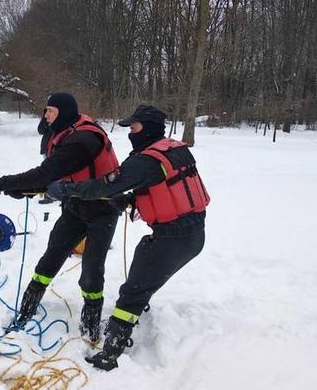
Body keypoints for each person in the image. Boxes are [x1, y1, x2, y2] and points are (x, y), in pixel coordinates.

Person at [45, 104, 209, 370]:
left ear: (150, 128)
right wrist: (133, 199)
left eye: (134, 127)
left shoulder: (146, 160)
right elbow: (170, 187)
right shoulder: (173, 149)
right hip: (192, 234)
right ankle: (135, 309)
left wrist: (64, 189)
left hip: (174, 238)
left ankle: (110, 354)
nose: (130, 133)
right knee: (143, 269)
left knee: (131, 293)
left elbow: (102, 185)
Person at [0, 92, 120, 342]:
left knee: (92, 272)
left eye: (50, 111)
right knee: (49, 260)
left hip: (102, 209)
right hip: (75, 207)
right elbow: (56, 177)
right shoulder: (66, 131)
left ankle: (90, 327)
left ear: (63, 112)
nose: (45, 116)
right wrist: (19, 190)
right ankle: (25, 311)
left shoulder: (82, 140)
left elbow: (45, 174)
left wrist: (0, 184)